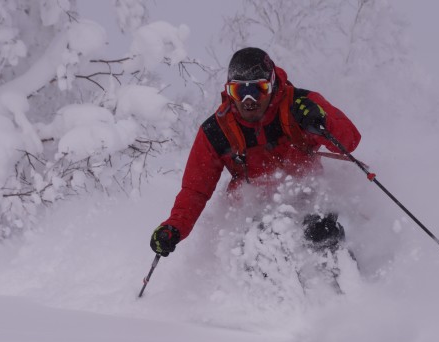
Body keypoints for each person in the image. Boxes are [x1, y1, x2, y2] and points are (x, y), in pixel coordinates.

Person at [150, 47, 361, 258]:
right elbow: (195, 190)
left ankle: (343, 283)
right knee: (257, 243)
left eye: (258, 89)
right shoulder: (216, 131)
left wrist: (323, 121)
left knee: (321, 232)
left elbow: (350, 141)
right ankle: (262, 288)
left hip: (308, 202)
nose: (248, 99)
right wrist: (174, 227)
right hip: (252, 212)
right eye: (239, 91)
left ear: (271, 84)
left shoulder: (300, 106)